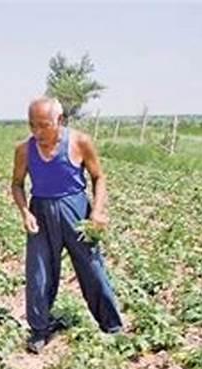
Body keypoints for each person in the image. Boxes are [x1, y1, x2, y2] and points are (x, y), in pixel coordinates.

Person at [11, 97, 123, 354]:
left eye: (43, 125)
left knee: (93, 270)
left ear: (59, 121)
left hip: (76, 212)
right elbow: (17, 184)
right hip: (40, 213)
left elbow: (99, 176)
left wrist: (96, 212)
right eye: (32, 125)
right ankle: (40, 330)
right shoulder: (24, 150)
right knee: (38, 274)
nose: (37, 132)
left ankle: (112, 327)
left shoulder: (80, 142)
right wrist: (25, 212)